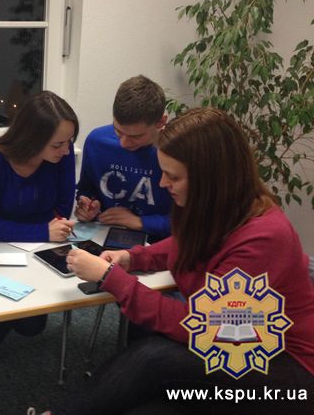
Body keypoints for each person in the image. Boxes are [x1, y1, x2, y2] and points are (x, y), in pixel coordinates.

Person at [54, 108, 314, 414]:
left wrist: (111, 278)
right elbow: (182, 244)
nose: (163, 183)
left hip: (285, 369)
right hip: (236, 346)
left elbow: (204, 327)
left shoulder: (265, 238)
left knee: (152, 358)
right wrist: (131, 258)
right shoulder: (215, 208)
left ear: (211, 179)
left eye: (173, 176)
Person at [0, 90, 79, 358]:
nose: (66, 150)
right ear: (33, 138)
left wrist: (48, 230)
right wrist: (42, 230)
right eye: (57, 144)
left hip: (37, 246)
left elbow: (62, 209)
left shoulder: (62, 157)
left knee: (31, 326)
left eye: (70, 141)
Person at [75, 75, 172, 242]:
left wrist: (139, 222)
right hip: (102, 238)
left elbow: (191, 222)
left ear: (160, 122)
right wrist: (87, 207)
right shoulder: (97, 142)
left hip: (157, 244)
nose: (124, 143)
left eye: (136, 136)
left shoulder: (174, 153)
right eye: (118, 131)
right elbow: (86, 190)